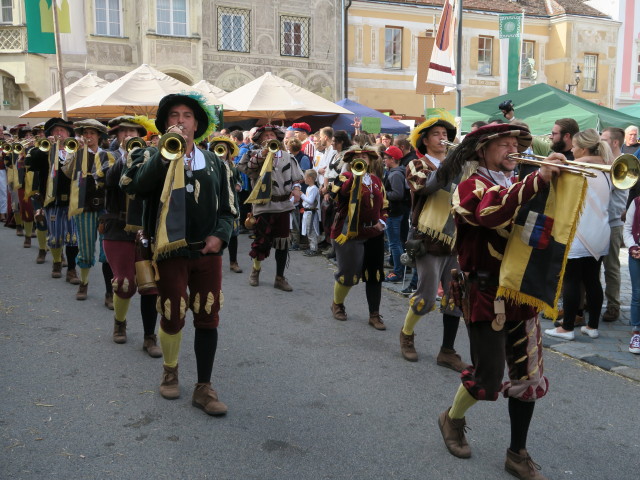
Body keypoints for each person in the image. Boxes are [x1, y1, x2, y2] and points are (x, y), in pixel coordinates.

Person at [436, 123, 561, 479]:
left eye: (515, 143)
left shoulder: (521, 183)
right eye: (503, 144)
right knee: (488, 380)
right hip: (486, 293)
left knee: (527, 378)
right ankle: (452, 418)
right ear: (482, 150)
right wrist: (536, 180)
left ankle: (517, 454)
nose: (512, 148)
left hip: (523, 291)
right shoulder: (469, 186)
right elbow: (489, 215)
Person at [120, 92, 235, 416]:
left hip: (206, 254)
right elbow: (134, 187)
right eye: (174, 115)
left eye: (186, 115)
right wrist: (164, 155)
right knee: (171, 314)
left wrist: (219, 236)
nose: (180, 121)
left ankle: (203, 387)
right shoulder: (148, 155)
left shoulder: (216, 163)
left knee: (208, 316)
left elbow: (229, 210)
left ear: (197, 123)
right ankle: (170, 370)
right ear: (165, 122)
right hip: (169, 254)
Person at [398, 116, 468, 371]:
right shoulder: (416, 164)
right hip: (428, 239)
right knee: (426, 298)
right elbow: (426, 186)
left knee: (455, 299)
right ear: (425, 140)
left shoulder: (462, 165)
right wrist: (453, 161)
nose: (442, 137)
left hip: (457, 239)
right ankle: (407, 333)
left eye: (445, 133)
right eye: (437, 134)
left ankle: (447, 351)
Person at [545, 129, 613, 341]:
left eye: (574, 146)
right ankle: (592, 326)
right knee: (592, 279)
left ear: (583, 148)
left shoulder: (576, 168)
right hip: (600, 232)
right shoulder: (606, 169)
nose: (571, 150)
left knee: (571, 280)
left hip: (580, 232)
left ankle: (567, 328)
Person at [237, 125, 304, 291]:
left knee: (283, 243)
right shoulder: (253, 155)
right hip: (262, 205)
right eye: (265, 136)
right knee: (261, 242)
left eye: (271, 135)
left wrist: (296, 188)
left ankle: (279, 278)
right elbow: (249, 169)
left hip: (282, 206)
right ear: (260, 140)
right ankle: (256, 270)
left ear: (277, 138)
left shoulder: (288, 157)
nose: (268, 138)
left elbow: (297, 178)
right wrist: (264, 153)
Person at [329, 145, 388, 330]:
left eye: (365, 156)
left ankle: (374, 314)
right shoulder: (344, 177)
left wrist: (382, 222)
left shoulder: (377, 180)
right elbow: (336, 195)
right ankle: (337, 303)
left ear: (370, 160)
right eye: (357, 157)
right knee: (348, 273)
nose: (362, 159)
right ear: (350, 161)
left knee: (374, 274)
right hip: (349, 233)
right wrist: (355, 176)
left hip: (374, 233)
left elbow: (384, 205)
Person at [61, 119, 115, 303]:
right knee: (84, 248)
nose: (88, 136)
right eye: (85, 133)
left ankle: (109, 291)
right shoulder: (77, 153)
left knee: (107, 250)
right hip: (84, 207)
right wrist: (74, 154)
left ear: (99, 136)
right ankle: (84, 283)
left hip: (106, 208)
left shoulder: (109, 156)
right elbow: (67, 174)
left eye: (92, 133)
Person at [25, 117, 80, 283]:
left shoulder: (75, 150)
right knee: (55, 237)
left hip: (72, 199)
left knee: (73, 237)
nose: (59, 133)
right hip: (52, 200)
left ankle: (71, 269)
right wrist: (45, 149)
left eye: (62, 131)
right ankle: (57, 262)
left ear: (69, 133)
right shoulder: (43, 150)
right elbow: (31, 164)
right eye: (55, 131)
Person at [600, 127, 627, 322]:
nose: (600, 142)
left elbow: (616, 198)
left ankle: (613, 306)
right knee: (591, 267)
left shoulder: (623, 163)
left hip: (612, 222)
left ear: (615, 142)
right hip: (598, 220)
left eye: (604, 139)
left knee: (611, 267)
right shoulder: (603, 161)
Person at [210, 136, 243, 273]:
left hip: (231, 204)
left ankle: (233, 262)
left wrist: (237, 185)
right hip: (214, 204)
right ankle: (212, 263)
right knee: (214, 234)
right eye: (219, 147)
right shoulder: (210, 165)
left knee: (233, 235)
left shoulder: (232, 166)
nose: (222, 151)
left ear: (228, 151)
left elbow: (238, 180)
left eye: (224, 148)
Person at [382, 145, 409, 283]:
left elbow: (397, 194)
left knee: (394, 243)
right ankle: (398, 269)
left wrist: (382, 194)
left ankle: (398, 271)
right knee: (395, 242)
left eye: (386, 158)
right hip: (395, 212)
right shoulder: (395, 172)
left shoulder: (396, 174)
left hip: (394, 212)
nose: (384, 160)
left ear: (393, 159)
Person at [623, 196, 640, 354]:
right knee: (637, 293)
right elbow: (627, 229)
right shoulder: (636, 202)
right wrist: (633, 247)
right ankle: (637, 332)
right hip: (637, 252)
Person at [300, 169, 321, 256]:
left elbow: (310, 201)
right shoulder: (309, 188)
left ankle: (314, 249)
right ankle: (311, 247)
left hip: (311, 212)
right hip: (307, 212)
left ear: (310, 178)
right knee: (308, 230)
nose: (304, 179)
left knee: (311, 230)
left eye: (306, 177)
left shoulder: (314, 188)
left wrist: (302, 195)